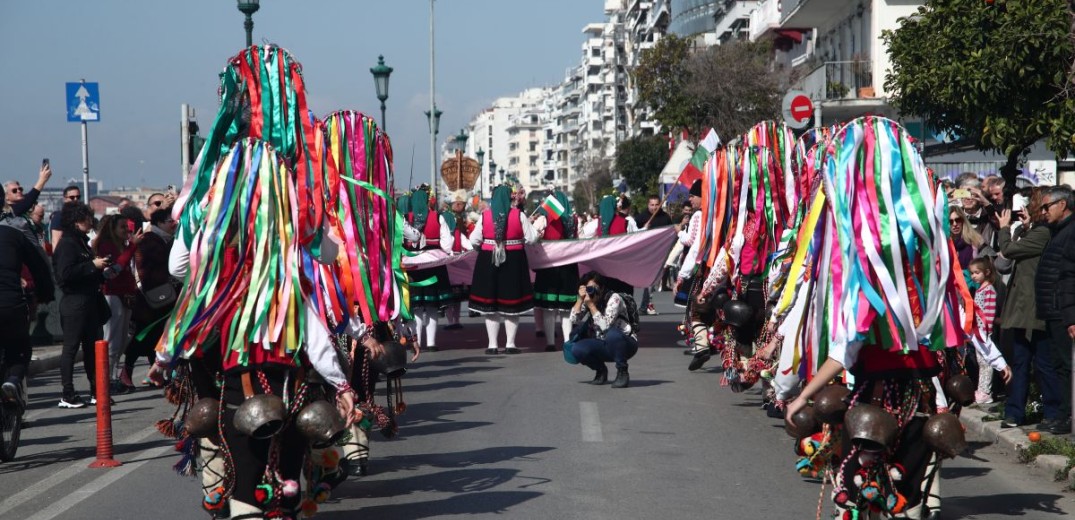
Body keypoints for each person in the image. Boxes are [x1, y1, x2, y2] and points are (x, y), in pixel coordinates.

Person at [996, 195, 1063, 430]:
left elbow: (1009, 250)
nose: (1040, 210)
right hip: (1023, 310)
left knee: (1043, 363)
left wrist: (1004, 229)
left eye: (1040, 206)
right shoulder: (1034, 231)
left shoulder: (1043, 233)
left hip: (1035, 310)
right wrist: (1023, 228)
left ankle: (1053, 412)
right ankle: (1015, 412)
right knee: (1020, 361)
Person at [52, 201, 112, 408]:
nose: (90, 221)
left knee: (92, 348)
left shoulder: (81, 242)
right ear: (77, 220)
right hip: (74, 302)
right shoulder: (68, 243)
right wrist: (91, 266)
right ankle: (67, 394)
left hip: (90, 302)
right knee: (71, 348)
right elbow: (65, 274)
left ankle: (97, 391)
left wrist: (99, 267)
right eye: (87, 217)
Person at [468, 184, 539, 355]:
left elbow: (474, 239)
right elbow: (532, 238)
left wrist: (484, 246)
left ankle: (492, 345)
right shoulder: (519, 215)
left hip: (488, 259)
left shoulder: (485, 216)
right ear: (509, 198)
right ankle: (510, 344)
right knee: (512, 304)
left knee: (491, 304)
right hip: (514, 261)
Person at [0, 188, 55, 410]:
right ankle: (13, 381)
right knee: (19, 351)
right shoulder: (14, 235)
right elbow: (41, 269)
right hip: (9, 304)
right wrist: (46, 294)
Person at [1033, 184, 1075, 434]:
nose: (1043, 212)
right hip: (1055, 310)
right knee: (1058, 364)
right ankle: (1062, 413)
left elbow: (1068, 276)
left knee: (1067, 365)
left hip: (1064, 311)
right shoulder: (1057, 231)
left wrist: (1070, 315)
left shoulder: (1070, 232)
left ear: (1062, 205)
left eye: (1046, 206)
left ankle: (1067, 415)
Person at [92, 214, 145, 394]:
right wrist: (132, 247)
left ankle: (113, 376)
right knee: (112, 339)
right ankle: (109, 379)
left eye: (127, 228)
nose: (127, 231)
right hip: (112, 294)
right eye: (122, 227)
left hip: (125, 295)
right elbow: (115, 268)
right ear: (113, 229)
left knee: (122, 339)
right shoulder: (106, 245)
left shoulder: (122, 245)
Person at [128, 209, 177, 388]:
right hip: (151, 297)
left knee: (154, 334)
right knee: (144, 334)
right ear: (159, 223)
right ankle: (127, 371)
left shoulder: (159, 239)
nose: (173, 224)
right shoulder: (152, 240)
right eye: (169, 221)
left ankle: (153, 372)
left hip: (155, 297)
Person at [405, 186, 454, 352]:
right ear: (427, 201)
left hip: (412, 264)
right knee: (432, 306)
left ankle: (416, 342)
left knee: (416, 307)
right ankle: (432, 342)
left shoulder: (406, 218)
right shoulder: (438, 217)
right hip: (434, 263)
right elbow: (447, 243)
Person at [568, 271, 638, 388]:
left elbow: (605, 326)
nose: (591, 292)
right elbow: (574, 320)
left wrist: (591, 306)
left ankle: (622, 371)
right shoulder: (588, 299)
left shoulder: (614, 299)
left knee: (612, 334)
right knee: (577, 349)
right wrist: (580, 300)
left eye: (593, 288)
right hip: (603, 344)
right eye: (588, 289)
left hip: (625, 344)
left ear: (602, 288)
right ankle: (600, 370)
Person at [532, 191, 579, 352]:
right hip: (568, 266)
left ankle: (550, 342)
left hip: (549, 267)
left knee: (549, 308)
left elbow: (532, 237)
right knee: (565, 308)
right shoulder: (573, 220)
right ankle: (567, 341)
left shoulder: (543, 219)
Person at [967, 257, 1012, 404]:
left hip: (984, 332)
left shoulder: (989, 290)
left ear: (986, 272)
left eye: (976, 272)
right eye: (972, 273)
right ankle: (982, 389)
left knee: (986, 361)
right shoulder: (980, 289)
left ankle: (985, 391)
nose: (973, 276)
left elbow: (989, 313)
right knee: (981, 361)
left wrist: (985, 330)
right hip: (978, 332)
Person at [635, 194, 673, 315]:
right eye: (652, 205)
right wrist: (643, 228)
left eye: (657, 205)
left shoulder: (665, 217)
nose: (654, 207)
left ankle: (645, 305)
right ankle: (645, 304)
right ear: (648, 205)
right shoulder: (641, 218)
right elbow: (633, 234)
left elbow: (671, 233)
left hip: (660, 254)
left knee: (653, 281)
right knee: (647, 281)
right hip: (645, 254)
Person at [443, 190, 474, 331]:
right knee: (450, 295)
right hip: (448, 260)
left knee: (458, 295)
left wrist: (473, 249)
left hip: (459, 259)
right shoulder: (447, 218)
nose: (461, 206)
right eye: (459, 203)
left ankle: (456, 319)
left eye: (462, 204)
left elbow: (463, 238)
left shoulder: (460, 219)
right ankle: (450, 321)